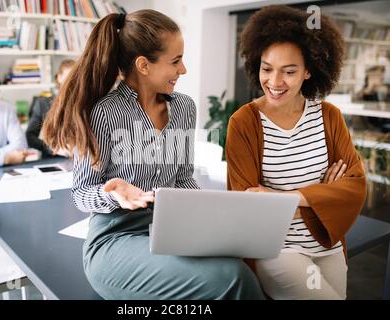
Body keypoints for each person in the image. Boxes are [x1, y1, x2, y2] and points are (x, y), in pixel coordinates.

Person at [42, 9, 264, 300]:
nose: (183, 69)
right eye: (176, 61)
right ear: (143, 65)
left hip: (171, 227)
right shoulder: (104, 113)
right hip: (116, 238)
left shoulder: (185, 108)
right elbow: (80, 193)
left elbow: (183, 179)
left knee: (242, 263)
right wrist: (113, 193)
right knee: (232, 279)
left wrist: (219, 210)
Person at [225, 5, 367, 300]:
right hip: (279, 249)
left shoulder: (329, 116)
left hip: (329, 245)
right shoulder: (243, 123)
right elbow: (248, 204)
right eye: (267, 68)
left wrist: (282, 198)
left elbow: (355, 186)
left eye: (289, 71)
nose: (275, 83)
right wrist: (322, 194)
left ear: (308, 71)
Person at [25, 59, 75, 157]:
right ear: (59, 77)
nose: (73, 82)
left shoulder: (85, 104)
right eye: (69, 77)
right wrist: (52, 148)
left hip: (80, 160)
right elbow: (29, 136)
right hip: (52, 159)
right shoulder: (43, 104)